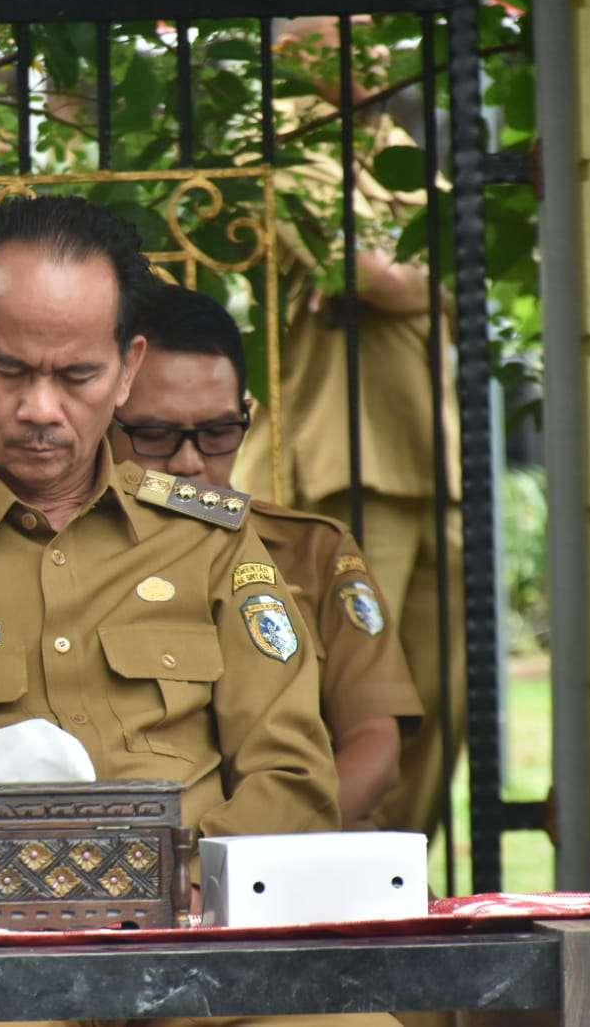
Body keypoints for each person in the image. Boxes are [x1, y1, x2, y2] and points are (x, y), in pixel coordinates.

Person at [0, 194, 340, 863]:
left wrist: (182, 887)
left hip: (189, 916)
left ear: (127, 369)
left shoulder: (208, 542)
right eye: (9, 370)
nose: (40, 409)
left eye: (77, 375)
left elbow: (291, 777)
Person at [231, 16, 464, 839]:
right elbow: (369, 274)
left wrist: (417, 277)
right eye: (348, 36)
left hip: (434, 458)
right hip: (344, 462)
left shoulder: (392, 144)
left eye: (374, 36)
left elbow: (429, 265)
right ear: (293, 48)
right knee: (360, 701)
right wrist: (436, 282)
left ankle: (401, 866)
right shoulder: (279, 141)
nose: (373, 53)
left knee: (447, 694)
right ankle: (339, 871)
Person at [109, 283, 422, 828]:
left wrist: (256, 853)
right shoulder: (67, 560)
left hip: (293, 857)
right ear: (103, 421)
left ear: (246, 416)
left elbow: (375, 744)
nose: (189, 462)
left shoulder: (312, 551)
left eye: (218, 432)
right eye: (155, 434)